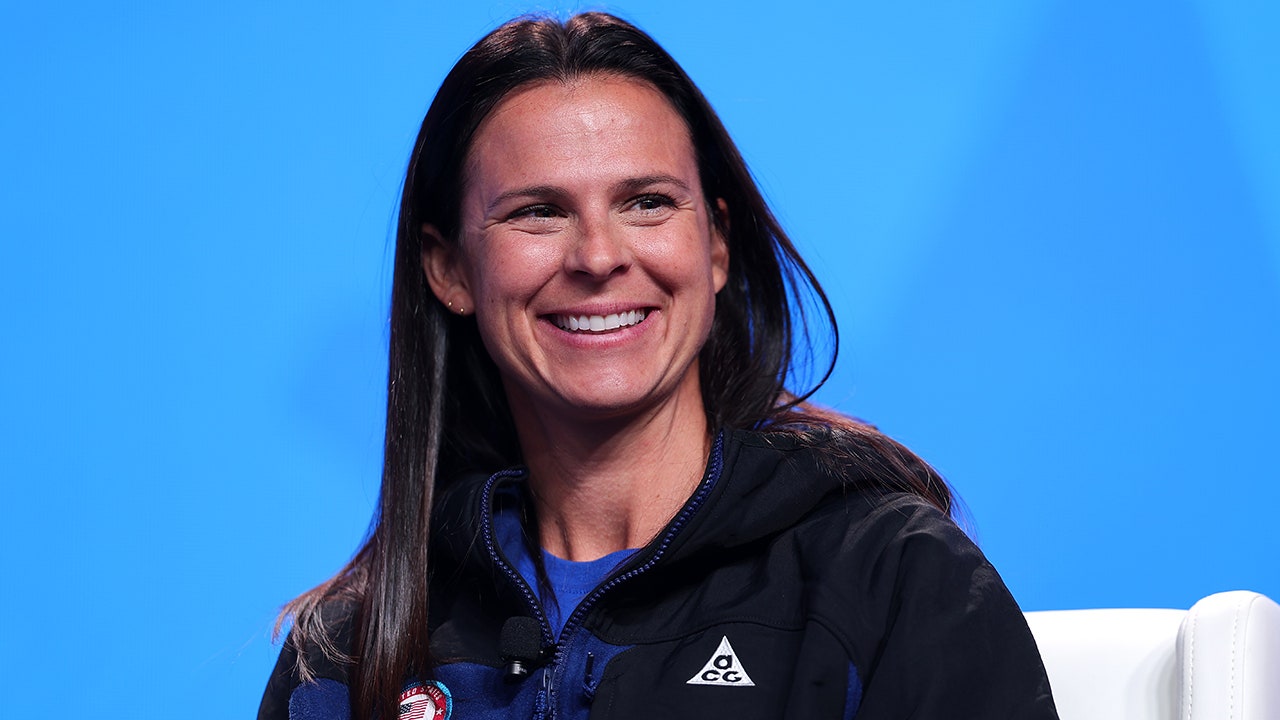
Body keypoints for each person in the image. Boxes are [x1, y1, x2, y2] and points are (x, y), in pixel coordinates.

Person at [259, 12, 1058, 720]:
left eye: (646, 202)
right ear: (450, 269)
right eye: (539, 212)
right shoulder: (348, 654)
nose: (599, 256)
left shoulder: (889, 582)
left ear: (715, 245)